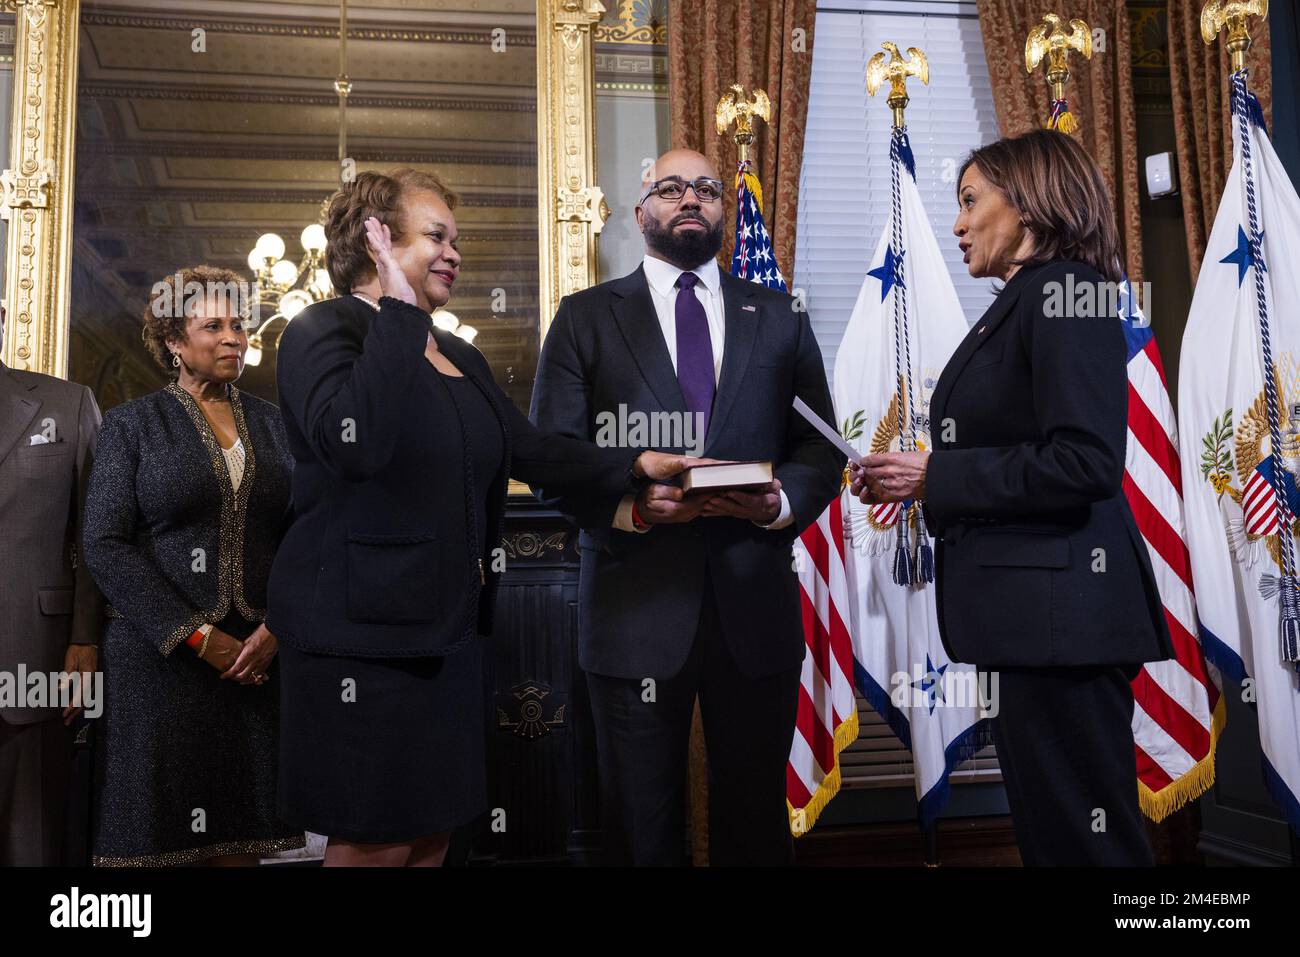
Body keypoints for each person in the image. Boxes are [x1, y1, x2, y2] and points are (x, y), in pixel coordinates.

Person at [269, 167, 692, 867]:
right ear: (377, 242)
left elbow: (528, 448)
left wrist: (633, 464)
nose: (454, 253)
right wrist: (400, 315)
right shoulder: (322, 329)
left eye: (456, 239)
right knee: (378, 837)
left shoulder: (459, 352)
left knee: (433, 833)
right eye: (436, 236)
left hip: (450, 634)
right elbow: (356, 442)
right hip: (360, 643)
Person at [851, 129, 1173, 866]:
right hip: (1033, 627)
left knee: (1091, 847)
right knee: (1055, 839)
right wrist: (923, 480)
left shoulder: (1068, 291)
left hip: (1065, 627)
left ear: (1027, 203)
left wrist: (936, 476)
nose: (957, 223)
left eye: (970, 201)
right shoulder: (1023, 301)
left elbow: (1084, 460)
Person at [529, 149, 843, 866]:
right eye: (670, 189)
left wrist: (779, 502)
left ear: (723, 212)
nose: (690, 199)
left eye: (705, 188)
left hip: (754, 607)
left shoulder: (779, 315)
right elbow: (552, 457)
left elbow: (821, 448)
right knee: (643, 827)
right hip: (633, 611)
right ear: (642, 213)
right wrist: (634, 507)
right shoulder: (584, 319)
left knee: (756, 821)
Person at [83, 266, 304, 865]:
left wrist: (276, 629)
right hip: (162, 664)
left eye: (240, 325)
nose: (234, 337)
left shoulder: (277, 425)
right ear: (174, 342)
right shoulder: (132, 424)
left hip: (256, 659)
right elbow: (104, 544)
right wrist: (198, 637)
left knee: (243, 838)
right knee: (160, 844)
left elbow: (299, 538)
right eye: (214, 326)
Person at [0, 306, 104, 865]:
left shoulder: (67, 403)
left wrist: (85, 639)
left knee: (33, 845)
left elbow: (100, 535)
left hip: (32, 661)